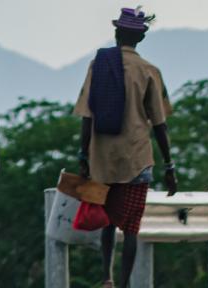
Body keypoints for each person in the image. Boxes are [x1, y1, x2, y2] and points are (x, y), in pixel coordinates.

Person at [74, 7, 177, 288]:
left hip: (101, 160)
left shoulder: (98, 65)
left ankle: (106, 276)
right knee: (131, 228)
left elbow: (86, 114)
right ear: (141, 38)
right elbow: (159, 124)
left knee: (107, 221)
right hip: (136, 159)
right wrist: (170, 167)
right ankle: (124, 283)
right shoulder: (149, 71)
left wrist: (83, 156)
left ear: (117, 33)